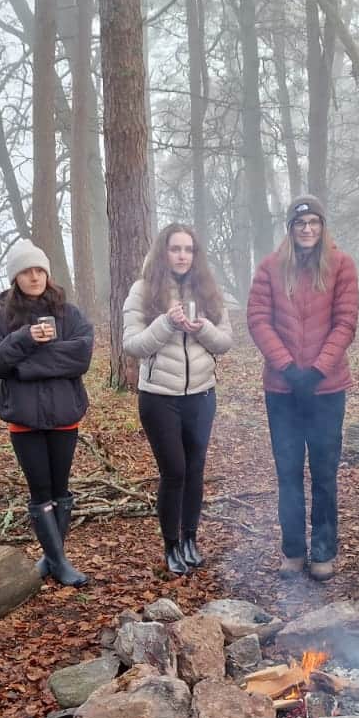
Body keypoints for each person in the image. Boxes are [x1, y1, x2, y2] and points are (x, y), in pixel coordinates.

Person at [247, 195, 359, 581]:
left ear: (322, 226)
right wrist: (287, 367)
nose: (307, 229)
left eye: (313, 222)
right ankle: (293, 550)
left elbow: (345, 322)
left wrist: (317, 370)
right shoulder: (270, 267)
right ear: (290, 228)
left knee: (324, 473)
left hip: (327, 390)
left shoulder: (342, 265)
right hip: (282, 391)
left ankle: (324, 550)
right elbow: (258, 319)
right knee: (288, 472)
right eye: (300, 223)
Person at [0, 238, 94, 587]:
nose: (34, 276)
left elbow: (81, 357)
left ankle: (53, 559)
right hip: (24, 419)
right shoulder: (1, 319)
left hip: (64, 415)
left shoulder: (69, 314)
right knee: (40, 490)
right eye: (26, 271)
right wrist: (24, 339)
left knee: (61, 489)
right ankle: (58, 561)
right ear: (15, 277)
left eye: (39, 270)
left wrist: (24, 366)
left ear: (47, 273)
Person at [122, 223, 234, 575]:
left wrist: (204, 329)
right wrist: (166, 324)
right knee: (174, 471)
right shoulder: (143, 290)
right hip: (159, 397)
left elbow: (225, 342)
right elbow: (132, 345)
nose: (182, 255)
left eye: (188, 249)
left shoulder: (209, 289)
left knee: (196, 469)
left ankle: (190, 539)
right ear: (163, 252)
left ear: (195, 254)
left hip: (201, 394)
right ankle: (171, 545)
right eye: (175, 249)